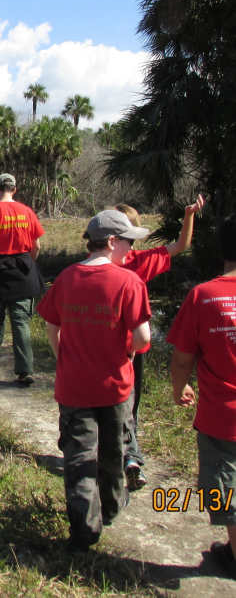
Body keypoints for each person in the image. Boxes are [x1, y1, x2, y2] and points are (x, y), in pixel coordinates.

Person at [37, 209, 151, 551]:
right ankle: (113, 508)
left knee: (78, 457)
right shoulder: (129, 282)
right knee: (113, 452)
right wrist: (129, 351)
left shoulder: (66, 279)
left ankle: (84, 530)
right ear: (112, 242)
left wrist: (64, 359)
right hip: (116, 387)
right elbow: (144, 338)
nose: (131, 249)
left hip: (73, 388)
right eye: (128, 242)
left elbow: (51, 327)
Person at [116, 195, 205, 491]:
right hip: (135, 346)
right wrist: (188, 216)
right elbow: (181, 246)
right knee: (130, 404)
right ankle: (130, 456)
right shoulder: (141, 261)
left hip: (112, 346)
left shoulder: (103, 263)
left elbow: (179, 247)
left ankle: (119, 454)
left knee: (112, 403)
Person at [167, 213, 236, 579]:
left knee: (225, 484)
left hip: (222, 417)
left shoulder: (204, 296)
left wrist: (180, 390)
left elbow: (182, 359)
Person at [0, 173, 44, 385]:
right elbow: (37, 245)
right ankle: (25, 370)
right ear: (14, 189)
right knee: (21, 322)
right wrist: (29, 263)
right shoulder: (27, 211)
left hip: (0, 268)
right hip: (24, 269)